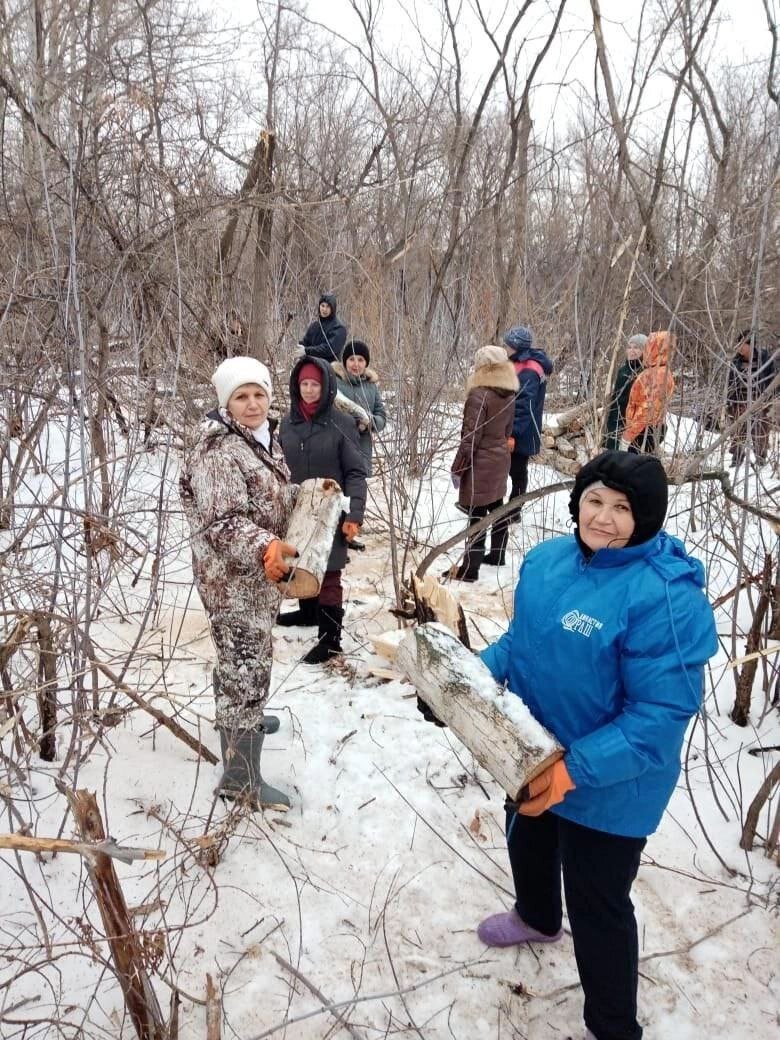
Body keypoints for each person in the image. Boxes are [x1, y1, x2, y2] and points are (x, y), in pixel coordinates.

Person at [473, 451, 717, 1040]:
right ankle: (536, 916)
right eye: (594, 500)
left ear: (648, 517)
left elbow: (659, 714)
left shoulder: (665, 597)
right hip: (530, 750)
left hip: (613, 786)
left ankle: (612, 1026)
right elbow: (519, 645)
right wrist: (465, 681)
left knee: (598, 900)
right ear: (576, 501)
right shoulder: (548, 561)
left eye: (622, 508)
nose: (603, 518)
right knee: (526, 836)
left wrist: (572, 771)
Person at [180, 357, 299, 811]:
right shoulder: (218, 451)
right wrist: (265, 545)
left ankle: (241, 726)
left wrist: (308, 499)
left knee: (243, 659)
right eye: (241, 397)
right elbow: (220, 523)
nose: (252, 404)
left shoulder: (260, 439)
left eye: (259, 394)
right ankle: (239, 777)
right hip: (232, 579)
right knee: (245, 666)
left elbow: (266, 495)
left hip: (255, 578)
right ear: (225, 402)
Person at [278, 358, 367, 661]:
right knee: (299, 561)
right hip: (298, 507)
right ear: (296, 386)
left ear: (327, 386)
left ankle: (330, 640)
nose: (309, 390)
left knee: (329, 572)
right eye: (304, 384)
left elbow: (356, 472)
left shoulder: (341, 424)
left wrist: (354, 514)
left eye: (315, 384)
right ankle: (308, 614)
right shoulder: (287, 424)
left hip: (332, 509)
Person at [445, 345, 517, 581]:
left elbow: (470, 438)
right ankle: (497, 554)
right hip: (499, 459)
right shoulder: (508, 393)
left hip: (481, 462)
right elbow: (507, 431)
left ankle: (470, 569)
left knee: (477, 513)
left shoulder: (479, 395)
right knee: (497, 506)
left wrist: (458, 468)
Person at [490, 325, 553, 565]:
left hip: (522, 431)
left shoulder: (529, 370)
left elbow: (524, 406)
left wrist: (513, 433)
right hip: (516, 429)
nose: (505, 348)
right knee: (515, 470)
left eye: (508, 344)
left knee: (517, 470)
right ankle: (512, 508)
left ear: (517, 346)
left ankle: (514, 509)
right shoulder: (519, 362)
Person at [332, 339, 387, 476]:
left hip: (362, 453)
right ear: (345, 361)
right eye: (351, 359)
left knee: (357, 494)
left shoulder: (371, 386)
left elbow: (381, 417)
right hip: (336, 451)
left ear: (366, 363)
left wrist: (369, 422)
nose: (356, 364)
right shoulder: (334, 382)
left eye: (361, 359)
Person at [726, 328, 776, 467]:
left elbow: (772, 378)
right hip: (739, 399)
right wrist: (730, 402)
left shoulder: (765, 358)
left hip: (759, 399)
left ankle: (761, 458)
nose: (740, 349)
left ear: (750, 345)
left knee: (760, 428)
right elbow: (730, 382)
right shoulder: (735, 361)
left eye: (742, 345)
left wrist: (768, 399)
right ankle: (737, 458)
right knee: (738, 429)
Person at [620, 331, 676, 454]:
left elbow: (646, 410)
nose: (646, 350)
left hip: (643, 432)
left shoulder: (658, 375)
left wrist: (628, 437)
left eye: (649, 346)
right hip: (644, 430)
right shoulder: (658, 371)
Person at [603, 334, 646, 451]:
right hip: (616, 417)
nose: (632, 351)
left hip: (632, 422)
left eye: (636, 348)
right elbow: (616, 396)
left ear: (644, 350)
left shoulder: (644, 372)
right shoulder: (623, 370)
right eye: (629, 347)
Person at [296, 293, 348, 363]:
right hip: (311, 365)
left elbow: (328, 349)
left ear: (333, 308)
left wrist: (306, 351)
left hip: (330, 368)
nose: (324, 309)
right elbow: (305, 342)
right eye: (322, 306)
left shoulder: (339, 328)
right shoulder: (315, 326)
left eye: (328, 307)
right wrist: (300, 350)